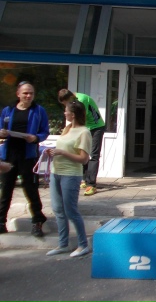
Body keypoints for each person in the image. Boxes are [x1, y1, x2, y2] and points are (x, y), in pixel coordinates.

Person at [0, 81, 50, 236]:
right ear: (18, 94)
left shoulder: (39, 111)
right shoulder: (8, 110)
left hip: (28, 155)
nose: (28, 96)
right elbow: (1, 128)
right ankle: (1, 222)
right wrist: (2, 133)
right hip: (9, 154)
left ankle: (37, 221)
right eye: (25, 93)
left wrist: (36, 138)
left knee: (31, 189)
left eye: (31, 93)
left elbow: (44, 132)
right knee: (6, 189)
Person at [45, 100, 91, 257]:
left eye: (66, 111)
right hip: (55, 172)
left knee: (71, 211)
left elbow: (84, 159)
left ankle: (83, 245)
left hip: (71, 175)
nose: (64, 113)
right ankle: (63, 244)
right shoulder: (67, 128)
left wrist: (62, 153)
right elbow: (63, 147)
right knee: (58, 209)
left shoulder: (84, 132)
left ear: (73, 114)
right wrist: (52, 151)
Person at [57, 89, 105, 196]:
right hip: (87, 127)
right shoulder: (74, 100)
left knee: (93, 155)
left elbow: (81, 117)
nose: (66, 106)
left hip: (96, 127)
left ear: (69, 98)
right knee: (81, 152)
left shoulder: (82, 99)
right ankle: (85, 180)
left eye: (66, 103)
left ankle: (91, 185)